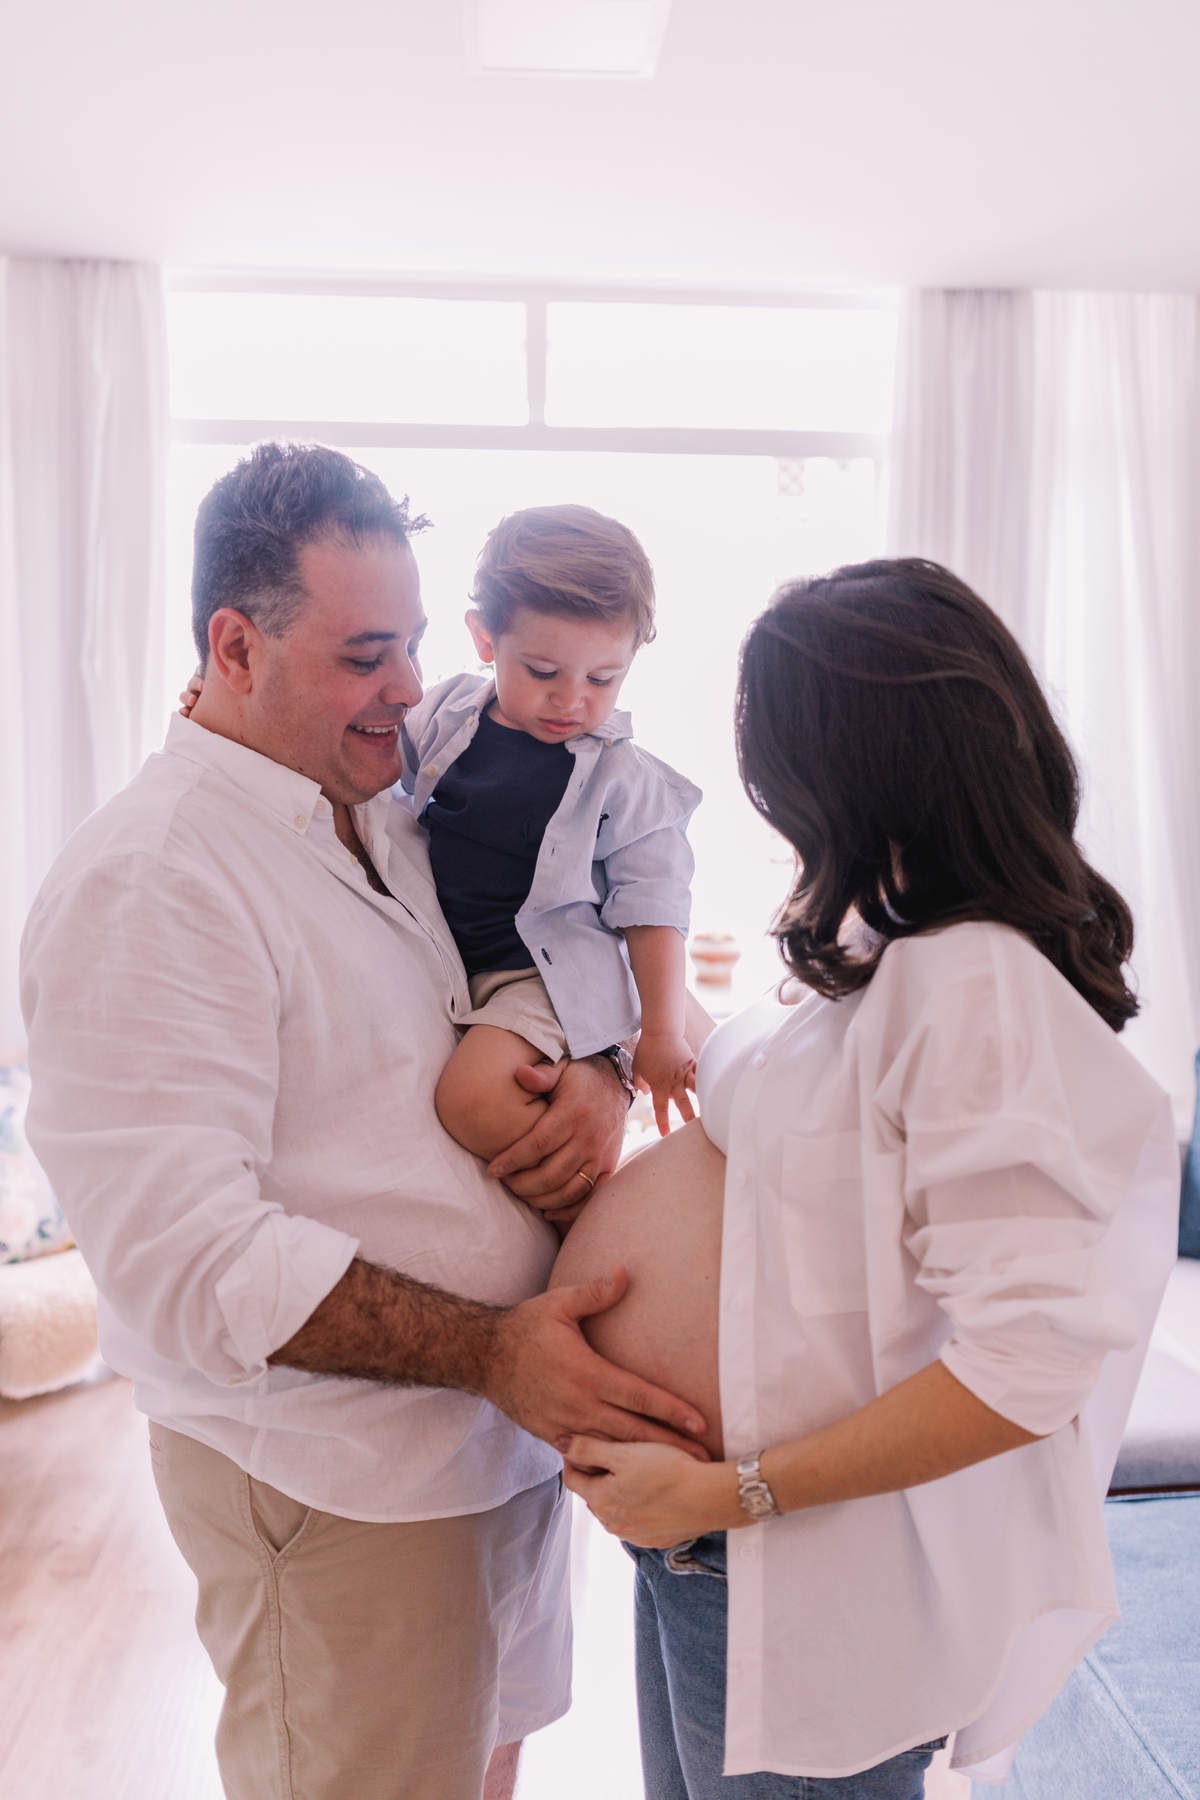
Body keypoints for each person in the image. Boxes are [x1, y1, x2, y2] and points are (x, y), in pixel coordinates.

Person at [19, 442, 710, 1800]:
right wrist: (493, 1352)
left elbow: (549, 956)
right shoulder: (152, 881)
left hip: (488, 1454)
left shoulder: (382, 811)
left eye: (411, 645)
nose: (409, 687)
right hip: (343, 1485)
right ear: (235, 647)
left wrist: (603, 1073)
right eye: (365, 655)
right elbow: (186, 1260)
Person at [550, 559, 1181, 1797]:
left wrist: (733, 1490)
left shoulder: (974, 976)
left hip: (781, 1547)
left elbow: (1028, 1364)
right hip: (703, 1541)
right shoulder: (879, 936)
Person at [402, 504, 703, 1162]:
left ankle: (590, 1203)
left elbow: (654, 907)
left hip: (542, 976)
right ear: (485, 639)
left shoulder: (623, 779)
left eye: (602, 678)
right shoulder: (445, 712)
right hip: (453, 964)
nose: (571, 700)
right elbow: (363, 750)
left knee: (471, 1101)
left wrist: (662, 1032)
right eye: (543, 672)